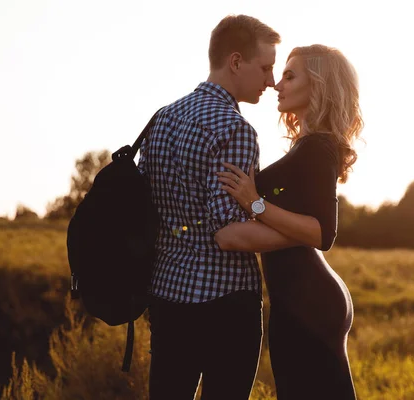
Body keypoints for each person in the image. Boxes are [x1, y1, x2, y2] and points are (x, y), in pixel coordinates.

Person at [137, 15, 281, 400]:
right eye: (265, 67)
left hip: (167, 295)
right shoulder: (233, 129)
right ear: (236, 62)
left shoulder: (162, 119)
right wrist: (301, 235)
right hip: (225, 303)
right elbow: (229, 235)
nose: (271, 80)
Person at [215, 44, 363, 399]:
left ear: (318, 85)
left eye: (289, 75)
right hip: (302, 299)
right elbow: (302, 225)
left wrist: (256, 203)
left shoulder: (318, 148)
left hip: (306, 303)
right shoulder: (307, 145)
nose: (277, 85)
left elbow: (323, 231)